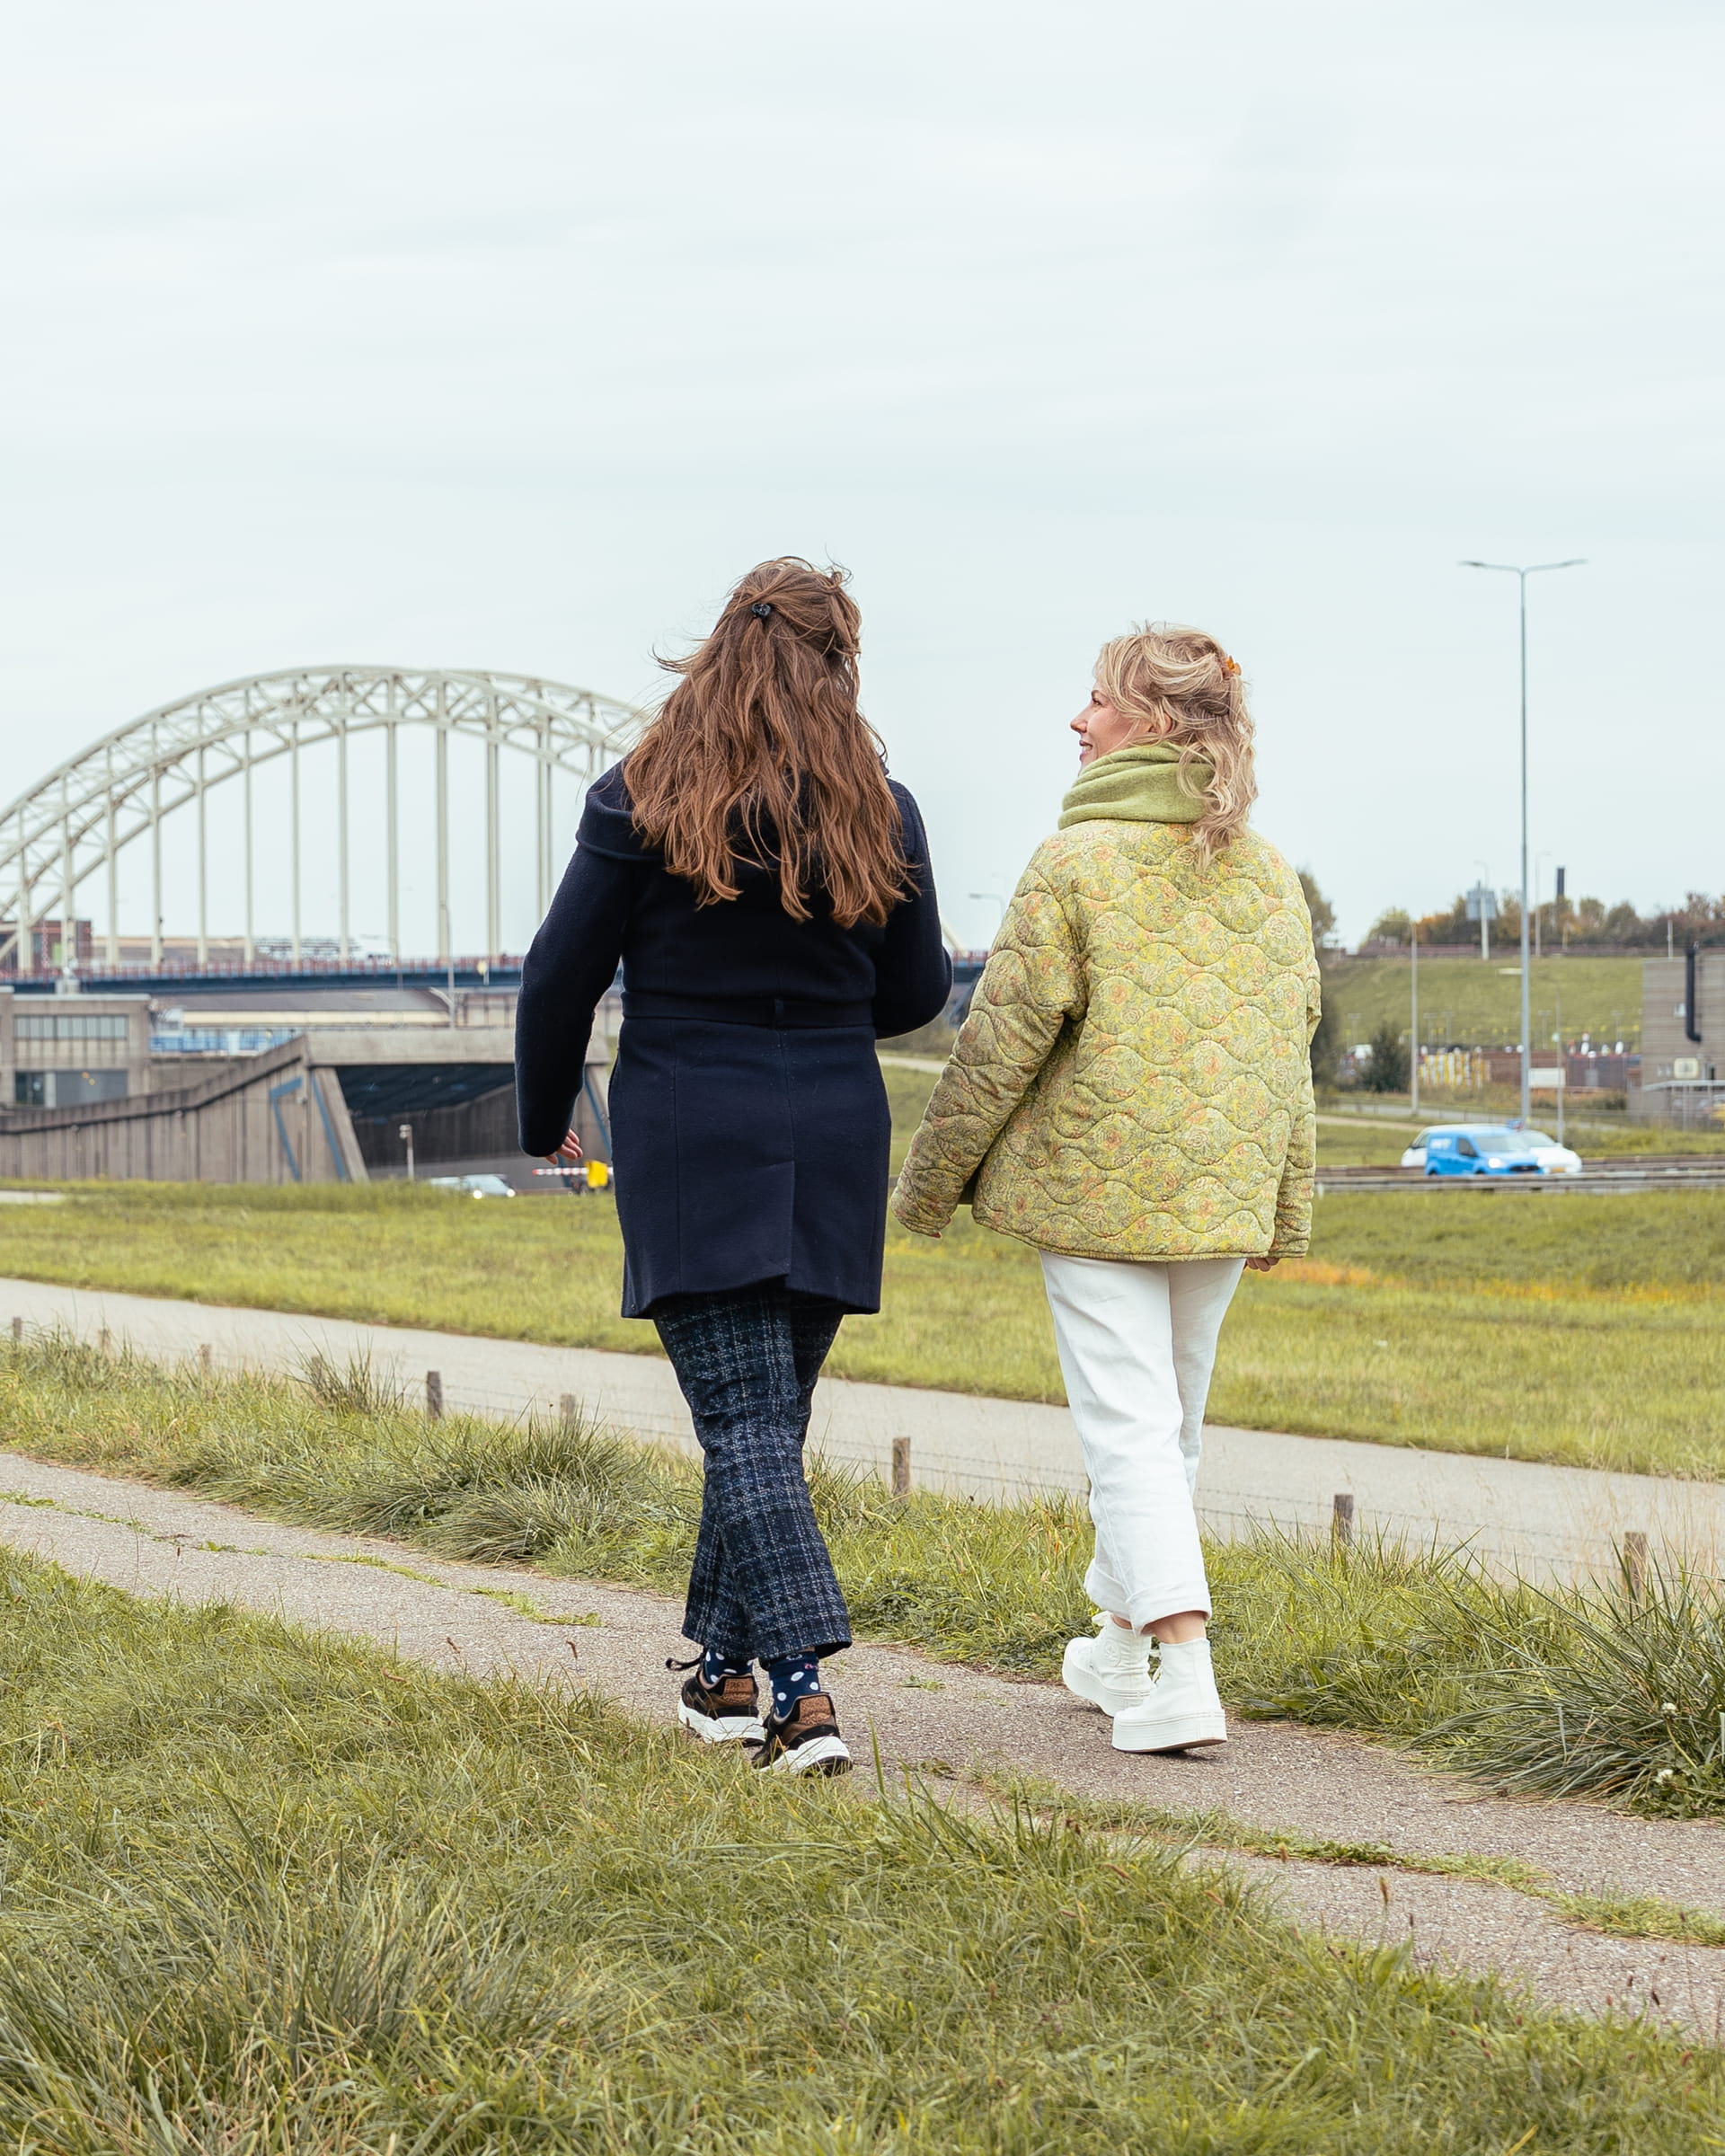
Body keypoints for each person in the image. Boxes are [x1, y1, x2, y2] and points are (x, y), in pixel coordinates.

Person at [516, 559, 951, 1776]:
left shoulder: (642, 798)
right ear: (839, 668)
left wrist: (547, 1113)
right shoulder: (884, 808)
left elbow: (559, 976)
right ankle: (720, 1675)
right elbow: (915, 992)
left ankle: (800, 1698)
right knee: (764, 1419)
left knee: (747, 1421)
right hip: (832, 1130)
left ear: (714, 661)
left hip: (687, 1124)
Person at [892, 623, 1318, 1754]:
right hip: (1217, 1200)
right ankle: (1119, 1647)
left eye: (1095, 702)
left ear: (1154, 723)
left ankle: (1185, 1671)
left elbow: (999, 1045)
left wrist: (928, 1186)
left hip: (1093, 1198)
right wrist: (1286, 1204)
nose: (1077, 722)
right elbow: (1290, 1058)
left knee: (1128, 1432)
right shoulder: (1269, 874)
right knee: (1167, 1428)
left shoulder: (1072, 864)